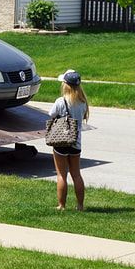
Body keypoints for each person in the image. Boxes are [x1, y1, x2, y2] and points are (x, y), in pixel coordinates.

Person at [48, 69, 90, 210]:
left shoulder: (60, 101)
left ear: (65, 85)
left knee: (61, 174)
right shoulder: (82, 102)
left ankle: (62, 205)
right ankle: (80, 205)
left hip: (61, 140)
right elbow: (83, 116)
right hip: (76, 142)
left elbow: (51, 114)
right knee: (76, 174)